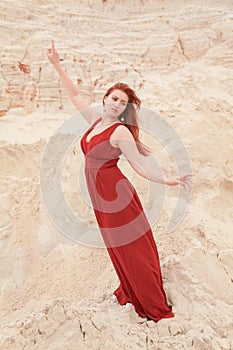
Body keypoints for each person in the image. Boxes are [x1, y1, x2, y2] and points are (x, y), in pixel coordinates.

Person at [47, 40, 193, 322]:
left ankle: (152, 303)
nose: (117, 104)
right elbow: (75, 93)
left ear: (125, 109)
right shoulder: (94, 121)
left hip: (117, 196)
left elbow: (139, 167)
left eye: (123, 103)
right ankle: (131, 289)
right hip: (101, 197)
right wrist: (56, 64)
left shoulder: (121, 132)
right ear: (105, 99)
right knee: (117, 247)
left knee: (133, 248)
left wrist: (170, 180)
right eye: (114, 98)